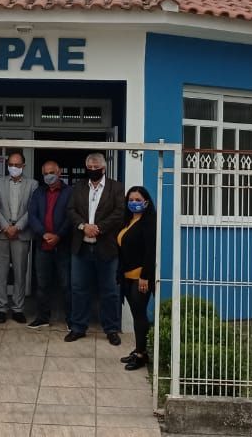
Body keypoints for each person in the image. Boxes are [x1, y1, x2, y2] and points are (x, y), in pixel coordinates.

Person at [65, 152, 126, 344]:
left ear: (103, 168)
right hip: (81, 247)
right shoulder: (78, 187)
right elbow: (70, 210)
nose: (92, 170)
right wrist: (84, 226)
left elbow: (119, 213)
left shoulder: (116, 187)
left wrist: (98, 228)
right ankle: (78, 327)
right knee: (78, 289)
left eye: (96, 168)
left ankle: (111, 329)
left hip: (106, 247)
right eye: (89, 168)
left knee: (110, 290)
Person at [0, 152, 38, 324]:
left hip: (21, 233)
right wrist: (6, 227)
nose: (14, 167)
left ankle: (18, 308)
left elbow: (32, 208)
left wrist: (17, 227)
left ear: (23, 166)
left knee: (20, 272)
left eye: (17, 165)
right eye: (11, 164)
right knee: (1, 272)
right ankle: (1, 308)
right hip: (2, 233)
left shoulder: (33, 184)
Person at [27, 160, 74, 330]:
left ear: (59, 172)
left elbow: (71, 216)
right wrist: (43, 233)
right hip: (43, 245)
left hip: (63, 245)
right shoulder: (38, 192)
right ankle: (42, 318)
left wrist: (58, 235)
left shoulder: (70, 192)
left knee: (67, 285)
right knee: (42, 285)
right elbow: (32, 215)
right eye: (46, 174)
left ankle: (71, 319)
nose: (49, 176)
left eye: (52, 172)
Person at [117, 186, 157, 371]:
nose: (134, 203)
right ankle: (139, 349)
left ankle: (141, 355)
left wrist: (145, 277)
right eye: (131, 200)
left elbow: (150, 252)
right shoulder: (128, 220)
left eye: (138, 200)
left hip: (140, 277)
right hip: (127, 276)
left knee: (140, 315)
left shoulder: (148, 222)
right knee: (136, 314)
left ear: (146, 202)